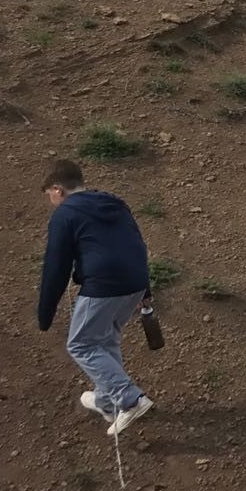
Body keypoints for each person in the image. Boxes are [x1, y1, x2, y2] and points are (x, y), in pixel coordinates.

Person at [37, 160, 155, 437]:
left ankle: (129, 399)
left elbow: (56, 267)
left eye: (50, 195)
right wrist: (145, 290)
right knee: (104, 341)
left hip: (104, 286)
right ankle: (107, 401)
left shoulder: (65, 214)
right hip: (134, 282)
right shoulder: (116, 204)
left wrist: (45, 315)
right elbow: (137, 243)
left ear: (58, 189)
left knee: (81, 344)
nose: (51, 202)